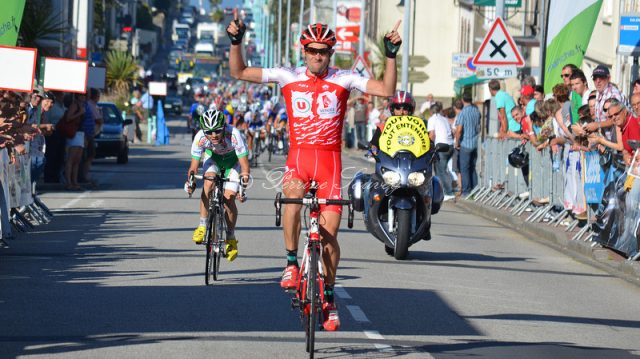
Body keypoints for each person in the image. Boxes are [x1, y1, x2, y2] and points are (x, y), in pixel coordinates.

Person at [227, 14, 402, 331]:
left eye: (323, 51)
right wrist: (236, 42)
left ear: (330, 53)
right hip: (300, 158)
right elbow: (238, 71)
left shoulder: (344, 78)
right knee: (292, 197)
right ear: (303, 51)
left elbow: (387, 90)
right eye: (312, 50)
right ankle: (292, 262)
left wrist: (390, 56)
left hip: (329, 164)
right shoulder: (286, 75)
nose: (317, 56)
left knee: (329, 238)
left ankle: (331, 299)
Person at [186, 109, 250, 262]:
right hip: (213, 160)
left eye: (217, 131)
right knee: (208, 183)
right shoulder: (200, 138)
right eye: (209, 132)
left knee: (229, 199)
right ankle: (202, 225)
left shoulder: (234, 134)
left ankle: (230, 237)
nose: (213, 135)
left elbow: (245, 167)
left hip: (232, 163)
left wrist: (243, 187)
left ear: (224, 127)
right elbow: (194, 167)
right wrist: (191, 182)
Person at [427, 102, 455, 201]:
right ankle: (444, 190)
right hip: (450, 145)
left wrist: (429, 145)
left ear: (431, 111)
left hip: (441, 146)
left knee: (441, 170)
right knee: (443, 169)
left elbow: (432, 135)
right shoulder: (444, 118)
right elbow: (452, 132)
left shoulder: (432, 119)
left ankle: (448, 192)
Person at [454, 92, 481, 196]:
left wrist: (457, 142)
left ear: (462, 100)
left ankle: (466, 192)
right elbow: (479, 127)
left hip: (465, 143)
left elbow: (459, 129)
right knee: (472, 167)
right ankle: (475, 190)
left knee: (464, 169)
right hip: (474, 143)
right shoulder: (476, 111)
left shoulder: (463, 113)